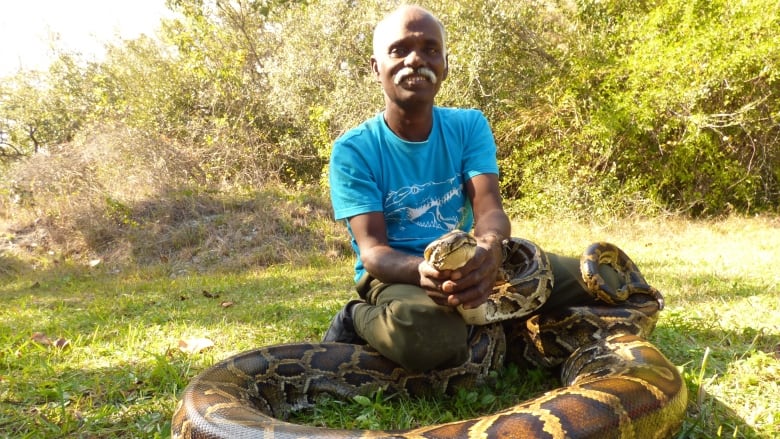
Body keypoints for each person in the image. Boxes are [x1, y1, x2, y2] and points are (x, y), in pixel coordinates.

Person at [324, 5, 616, 372]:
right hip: (398, 273)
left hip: (468, 257)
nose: (415, 59)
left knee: (604, 281)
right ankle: (357, 316)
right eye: (399, 50)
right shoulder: (354, 149)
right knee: (429, 339)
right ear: (375, 67)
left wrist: (490, 250)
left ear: (445, 64)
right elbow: (373, 252)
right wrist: (422, 272)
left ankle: (499, 321)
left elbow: (489, 209)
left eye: (430, 49)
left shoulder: (469, 125)